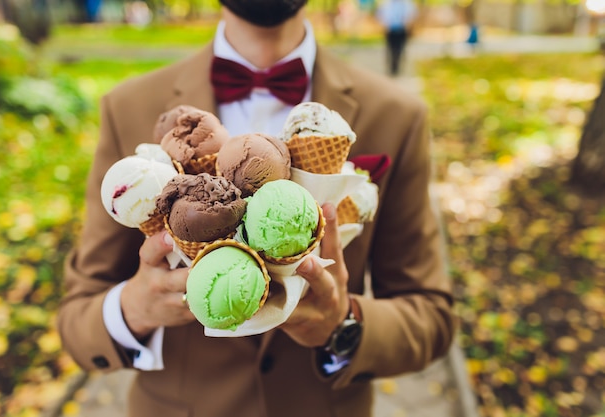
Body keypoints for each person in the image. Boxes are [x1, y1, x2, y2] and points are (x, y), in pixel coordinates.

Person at [57, 1, 455, 416]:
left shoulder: (396, 115)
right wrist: (133, 307)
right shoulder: (128, 107)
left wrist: (342, 325)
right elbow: (77, 318)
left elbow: (430, 317)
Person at [376, 0, 417, 76]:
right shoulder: (386, 3)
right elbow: (380, 14)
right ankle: (392, 67)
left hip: (402, 29)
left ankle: (397, 66)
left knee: (399, 49)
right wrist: (384, 24)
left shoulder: (406, 3)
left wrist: (408, 24)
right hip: (390, 30)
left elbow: (412, 14)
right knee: (391, 49)